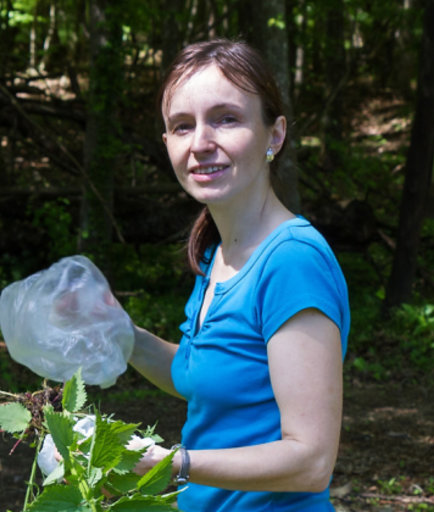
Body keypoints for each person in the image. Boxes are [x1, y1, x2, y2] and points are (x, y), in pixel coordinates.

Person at [128, 38, 350, 512]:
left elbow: (311, 460)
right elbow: (206, 376)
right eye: (182, 126)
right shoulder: (219, 254)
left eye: (226, 118)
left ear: (275, 135)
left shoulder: (291, 262)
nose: (201, 143)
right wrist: (124, 337)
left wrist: (173, 463)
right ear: (167, 143)